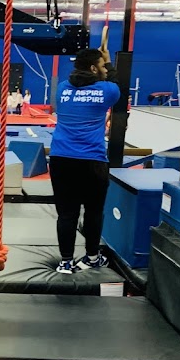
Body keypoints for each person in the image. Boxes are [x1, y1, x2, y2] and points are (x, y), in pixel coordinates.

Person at [49, 43, 121, 274]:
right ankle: (92, 257)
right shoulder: (108, 90)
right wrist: (108, 61)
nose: (105, 70)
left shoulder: (62, 88)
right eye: (101, 66)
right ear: (93, 68)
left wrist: (102, 61)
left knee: (66, 213)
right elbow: (116, 83)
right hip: (92, 161)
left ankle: (66, 262)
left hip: (61, 159)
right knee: (93, 211)